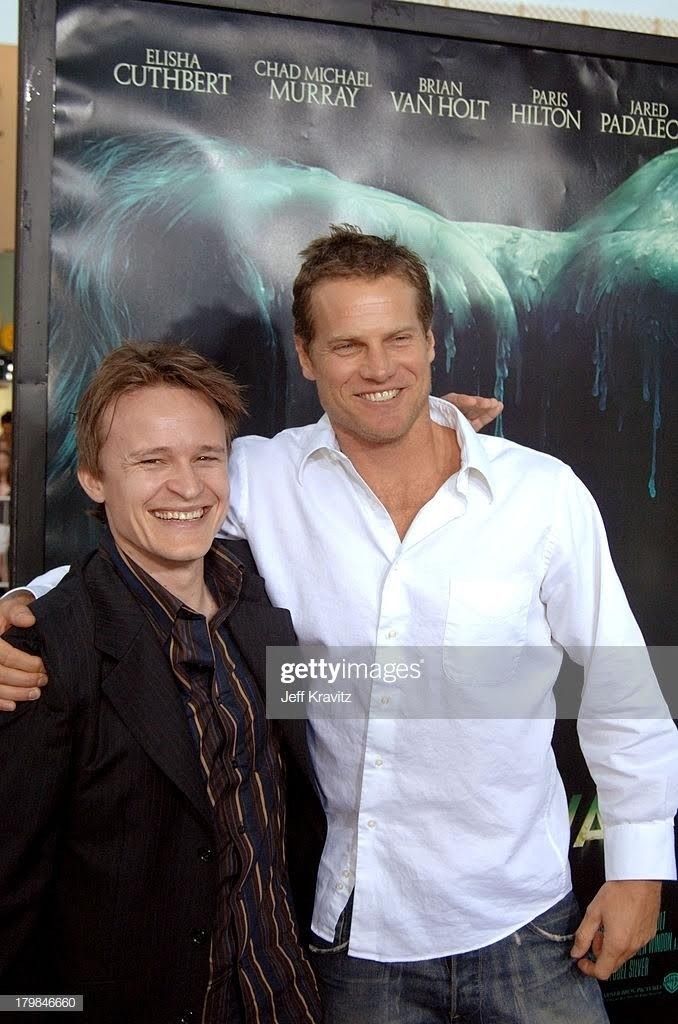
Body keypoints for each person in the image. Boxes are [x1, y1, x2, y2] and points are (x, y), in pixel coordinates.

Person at [2, 227, 677, 1024]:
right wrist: (18, 612)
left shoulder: (541, 493)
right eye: (348, 344)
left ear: (431, 340)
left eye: (398, 338)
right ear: (305, 355)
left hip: (527, 925)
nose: (379, 367)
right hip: (350, 943)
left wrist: (639, 869)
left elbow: (620, 679)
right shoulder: (258, 472)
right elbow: (143, 536)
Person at [0, 343, 321, 1024]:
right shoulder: (43, 653)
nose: (188, 486)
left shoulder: (263, 606)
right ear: (92, 477)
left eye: (206, 458)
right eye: (151, 462)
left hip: (286, 1000)